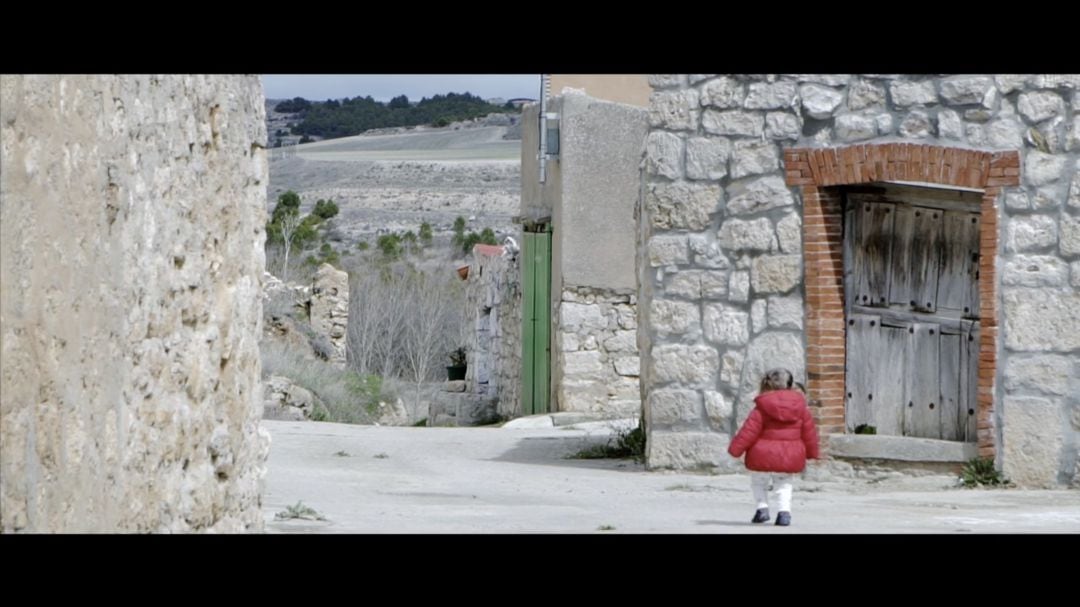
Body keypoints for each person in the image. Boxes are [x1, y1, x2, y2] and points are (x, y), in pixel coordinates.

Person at [727, 368, 819, 526]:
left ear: (767, 384)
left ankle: (762, 509)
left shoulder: (762, 406)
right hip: (790, 454)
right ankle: (784, 513)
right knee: (784, 483)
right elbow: (809, 433)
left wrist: (735, 450)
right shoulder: (801, 407)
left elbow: (749, 431)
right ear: (790, 384)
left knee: (758, 480)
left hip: (762, 453)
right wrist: (812, 453)